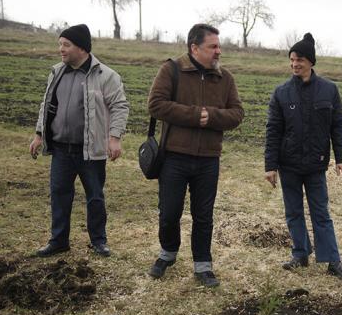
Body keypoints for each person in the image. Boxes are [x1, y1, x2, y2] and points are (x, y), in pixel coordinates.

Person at [147, 23, 243, 288]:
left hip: (208, 159)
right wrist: (194, 115)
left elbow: (237, 113)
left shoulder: (225, 78)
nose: (218, 52)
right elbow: (155, 104)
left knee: (204, 215)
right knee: (169, 212)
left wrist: (210, 116)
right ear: (194, 47)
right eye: (213, 46)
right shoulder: (171, 70)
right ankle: (167, 253)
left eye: (219, 46)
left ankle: (203, 264)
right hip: (174, 157)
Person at [29, 24, 129, 258]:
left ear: (82, 48)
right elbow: (47, 105)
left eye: (66, 45)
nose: (61, 50)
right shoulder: (56, 72)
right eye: (60, 45)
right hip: (61, 149)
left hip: (90, 151)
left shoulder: (106, 75)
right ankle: (59, 241)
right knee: (59, 194)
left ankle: (98, 241)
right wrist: (39, 134)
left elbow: (120, 106)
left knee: (95, 196)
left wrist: (114, 138)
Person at [264, 32, 342, 282]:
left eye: (300, 60)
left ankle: (332, 260)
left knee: (321, 213)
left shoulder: (329, 90)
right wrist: (270, 166)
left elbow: (338, 126)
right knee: (293, 212)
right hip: (289, 165)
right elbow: (273, 130)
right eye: (292, 59)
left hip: (316, 165)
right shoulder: (281, 92)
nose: (295, 64)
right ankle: (300, 254)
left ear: (311, 62)